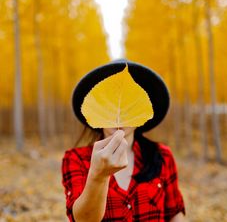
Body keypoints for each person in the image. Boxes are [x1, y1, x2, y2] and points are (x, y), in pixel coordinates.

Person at [61, 59, 186, 222]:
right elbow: (84, 220)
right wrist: (98, 176)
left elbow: (174, 214)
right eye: (108, 106)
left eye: (130, 106)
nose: (118, 116)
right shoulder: (76, 159)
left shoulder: (162, 155)